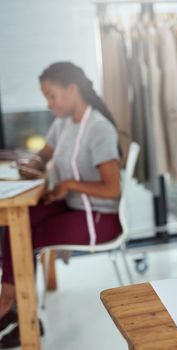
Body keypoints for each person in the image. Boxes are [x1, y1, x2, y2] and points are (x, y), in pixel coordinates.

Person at [0, 62, 122, 348]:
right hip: (72, 205)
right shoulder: (64, 123)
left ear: (72, 89)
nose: (48, 103)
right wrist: (32, 164)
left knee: (23, 237)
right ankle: (13, 304)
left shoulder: (98, 129)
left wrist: (68, 184)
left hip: (99, 218)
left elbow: (112, 188)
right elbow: (44, 154)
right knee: (20, 221)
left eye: (52, 95)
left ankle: (15, 310)